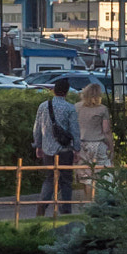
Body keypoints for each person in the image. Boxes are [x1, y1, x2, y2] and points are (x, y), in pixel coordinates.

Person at [33, 75, 80, 216]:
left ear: (54, 91)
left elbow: (37, 128)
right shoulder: (70, 108)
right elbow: (74, 130)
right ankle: (66, 210)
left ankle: (41, 207)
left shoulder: (43, 106)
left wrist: (38, 145)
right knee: (66, 180)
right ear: (66, 92)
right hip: (65, 150)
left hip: (48, 149)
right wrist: (77, 149)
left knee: (49, 178)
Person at [77, 81, 114, 180]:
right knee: (105, 172)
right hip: (98, 143)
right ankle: (105, 194)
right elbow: (106, 130)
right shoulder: (102, 109)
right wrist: (111, 147)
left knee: (85, 175)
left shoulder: (76, 107)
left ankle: (89, 195)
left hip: (82, 144)